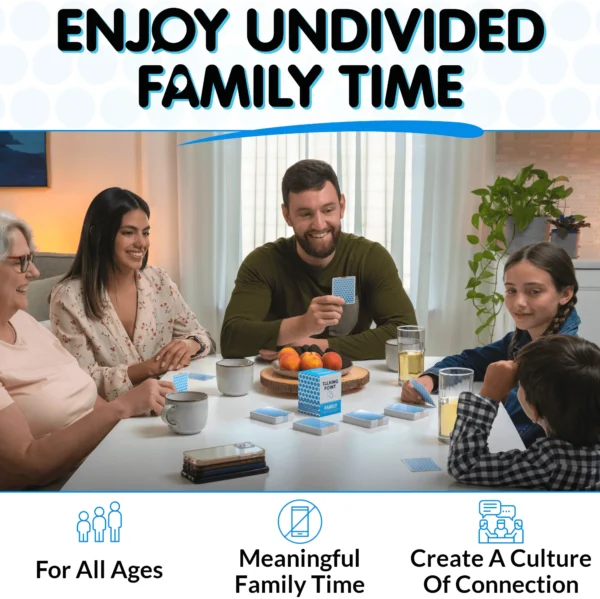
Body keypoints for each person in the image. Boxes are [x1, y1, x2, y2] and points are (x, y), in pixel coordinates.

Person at [0, 211, 173, 491]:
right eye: (21, 262)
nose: (34, 272)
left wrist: (132, 427)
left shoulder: (23, 321)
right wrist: (124, 406)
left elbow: (87, 397)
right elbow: (25, 466)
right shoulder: (68, 297)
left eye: (31, 259)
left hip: (101, 457)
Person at [220, 159, 417, 360]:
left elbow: (406, 336)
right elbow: (231, 339)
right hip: (280, 383)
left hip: (353, 380)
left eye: (328, 210)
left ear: (342, 206)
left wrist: (318, 346)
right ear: (287, 215)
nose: (319, 224)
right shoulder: (263, 263)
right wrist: (303, 325)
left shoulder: (370, 257)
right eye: (305, 214)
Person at [401, 242, 580, 446]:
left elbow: (511, 432)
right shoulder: (521, 339)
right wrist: (430, 378)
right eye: (511, 291)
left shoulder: (562, 363)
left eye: (534, 291)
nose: (518, 303)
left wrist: (488, 396)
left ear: (565, 294)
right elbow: (468, 360)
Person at [50, 188, 213, 401]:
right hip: (112, 415)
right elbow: (81, 379)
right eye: (128, 232)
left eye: (145, 232)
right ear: (99, 235)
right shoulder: (68, 298)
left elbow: (203, 336)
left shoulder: (158, 280)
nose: (141, 243)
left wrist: (189, 345)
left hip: (172, 400)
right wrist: (147, 368)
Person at [448, 335, 600, 490]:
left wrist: (488, 395)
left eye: (519, 385)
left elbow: (465, 465)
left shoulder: (552, 462)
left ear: (534, 411)